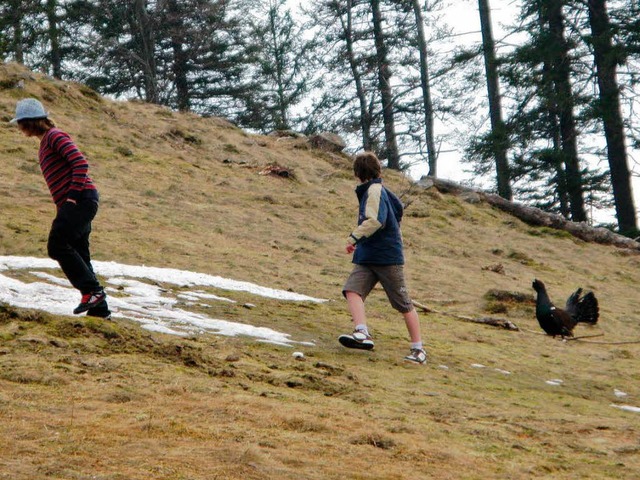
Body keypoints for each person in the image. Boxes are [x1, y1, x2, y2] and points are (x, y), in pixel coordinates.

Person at [11, 98, 111, 319]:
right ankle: (100, 312)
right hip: (79, 202)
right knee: (80, 253)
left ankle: (92, 292)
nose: (18, 128)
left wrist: (72, 199)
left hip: (80, 200)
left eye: (20, 123)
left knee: (57, 245)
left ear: (29, 122)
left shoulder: (54, 136)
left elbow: (80, 163)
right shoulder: (46, 140)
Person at [339, 152, 427, 364]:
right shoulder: (381, 191)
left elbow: (376, 220)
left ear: (358, 173)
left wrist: (354, 237)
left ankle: (419, 350)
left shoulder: (375, 191)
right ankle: (361, 333)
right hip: (369, 256)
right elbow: (397, 213)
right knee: (352, 290)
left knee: (403, 303)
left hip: (387, 258)